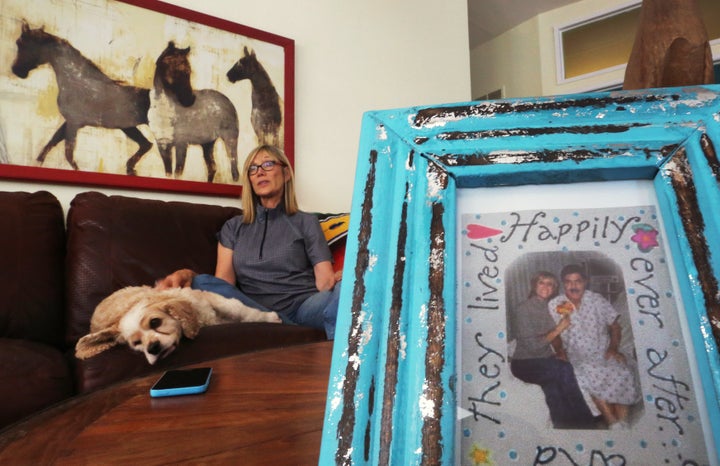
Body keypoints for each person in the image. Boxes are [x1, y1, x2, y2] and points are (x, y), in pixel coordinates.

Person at [156, 145, 341, 339]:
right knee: (202, 282)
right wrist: (189, 275)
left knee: (348, 290)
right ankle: (285, 327)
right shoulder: (233, 227)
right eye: (253, 169)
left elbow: (324, 281)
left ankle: (328, 354)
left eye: (268, 164)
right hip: (257, 311)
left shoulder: (306, 221)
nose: (260, 171)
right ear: (250, 180)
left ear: (286, 173)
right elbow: (223, 285)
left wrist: (344, 280)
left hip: (305, 307)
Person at [548, 264, 640, 430]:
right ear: (563, 283)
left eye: (578, 281)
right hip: (576, 354)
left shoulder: (597, 299)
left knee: (622, 369)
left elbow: (615, 327)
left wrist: (613, 348)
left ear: (586, 282)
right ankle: (612, 422)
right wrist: (560, 351)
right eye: (568, 282)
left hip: (602, 351)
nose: (573, 286)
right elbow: (554, 333)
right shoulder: (556, 303)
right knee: (586, 373)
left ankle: (623, 423)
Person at [508, 271, 595, 429]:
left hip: (544, 361)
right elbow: (533, 347)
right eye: (542, 282)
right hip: (524, 364)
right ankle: (587, 423)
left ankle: (564, 427)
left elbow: (555, 337)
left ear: (554, 289)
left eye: (550, 284)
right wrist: (558, 328)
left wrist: (560, 350)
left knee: (552, 385)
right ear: (535, 285)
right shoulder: (523, 308)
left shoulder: (549, 307)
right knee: (563, 368)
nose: (546, 287)